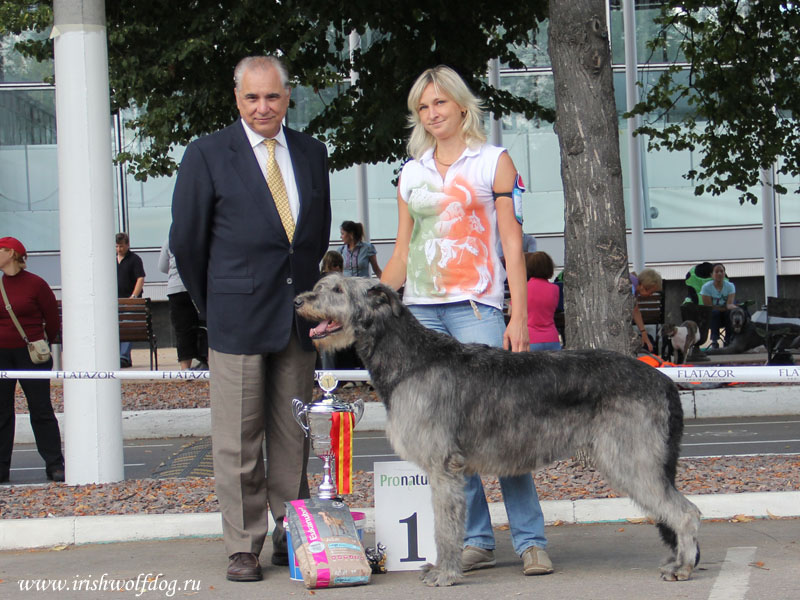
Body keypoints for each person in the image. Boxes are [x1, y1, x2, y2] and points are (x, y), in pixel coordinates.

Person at [381, 65, 552, 576]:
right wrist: (366, 297)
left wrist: (517, 314)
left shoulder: (493, 162)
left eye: (440, 103)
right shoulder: (411, 172)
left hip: (477, 307)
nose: (432, 114)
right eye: (423, 107)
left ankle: (530, 541)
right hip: (420, 313)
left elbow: (513, 244)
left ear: (460, 105)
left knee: (500, 427)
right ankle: (476, 538)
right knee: (446, 438)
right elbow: (401, 251)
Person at [169, 55, 331, 583]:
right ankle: (243, 546)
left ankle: (292, 532)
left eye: (273, 97)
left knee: (292, 434)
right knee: (237, 439)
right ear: (236, 99)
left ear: (288, 97)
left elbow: (314, 236)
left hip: (297, 318)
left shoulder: (312, 153)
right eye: (252, 97)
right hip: (235, 317)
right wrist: (212, 305)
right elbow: (188, 243)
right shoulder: (208, 154)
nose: (263, 107)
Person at [0, 237, 64, 483]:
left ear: (12, 253)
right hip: (2, 355)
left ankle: (54, 464)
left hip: (30, 354)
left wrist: (47, 343)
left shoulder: (36, 284)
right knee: (2, 412)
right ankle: (2, 467)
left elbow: (52, 318)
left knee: (41, 409)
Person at [158, 239, 208, 370]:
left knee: (182, 330)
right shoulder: (199, 236)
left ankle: (185, 369)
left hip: (176, 289)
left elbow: (162, 267)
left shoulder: (170, 241)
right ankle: (208, 362)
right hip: (198, 287)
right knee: (204, 326)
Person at [116, 232, 145, 368]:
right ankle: (121, 357)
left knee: (127, 323)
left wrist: (133, 297)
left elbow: (140, 278)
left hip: (129, 301)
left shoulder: (135, 259)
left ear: (127, 245)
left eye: (121, 246)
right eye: (116, 246)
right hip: (114, 301)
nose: (119, 249)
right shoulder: (111, 260)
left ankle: (123, 356)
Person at [524, 252, 561, 351]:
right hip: (552, 337)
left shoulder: (523, 288)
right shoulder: (555, 288)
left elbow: (512, 312)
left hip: (530, 338)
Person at [700, 262, 736, 349]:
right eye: (716, 271)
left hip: (725, 314)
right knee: (714, 313)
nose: (719, 273)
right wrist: (723, 308)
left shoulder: (730, 286)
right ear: (711, 275)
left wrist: (735, 308)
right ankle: (714, 341)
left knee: (730, 313)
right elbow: (709, 306)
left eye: (721, 271)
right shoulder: (706, 288)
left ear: (724, 273)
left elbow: (729, 305)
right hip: (712, 316)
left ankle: (728, 340)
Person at [631, 268, 662, 353]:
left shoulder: (634, 284)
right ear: (644, 287)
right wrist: (643, 333)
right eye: (651, 292)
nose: (650, 295)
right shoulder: (631, 287)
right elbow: (635, 310)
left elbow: (636, 310)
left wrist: (643, 332)